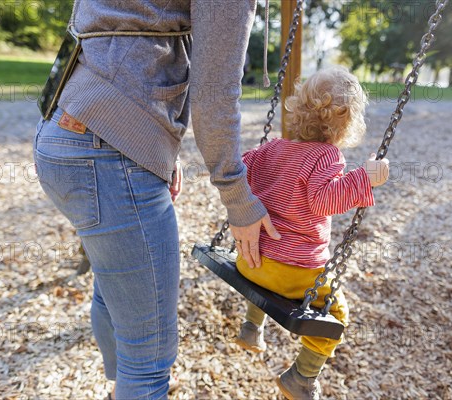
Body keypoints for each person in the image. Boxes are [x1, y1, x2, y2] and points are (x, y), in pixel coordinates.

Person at [33, 1, 280, 399]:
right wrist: (238, 199)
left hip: (64, 129)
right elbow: (215, 95)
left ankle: (123, 387)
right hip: (107, 155)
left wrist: (156, 144)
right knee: (148, 363)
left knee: (113, 284)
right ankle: (134, 385)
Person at [233, 67, 390, 400]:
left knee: (262, 279)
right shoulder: (327, 155)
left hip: (251, 262)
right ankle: (301, 378)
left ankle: (251, 327)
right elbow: (325, 199)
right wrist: (366, 178)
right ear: (346, 125)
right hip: (295, 273)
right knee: (336, 315)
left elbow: (241, 168)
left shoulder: (273, 148)